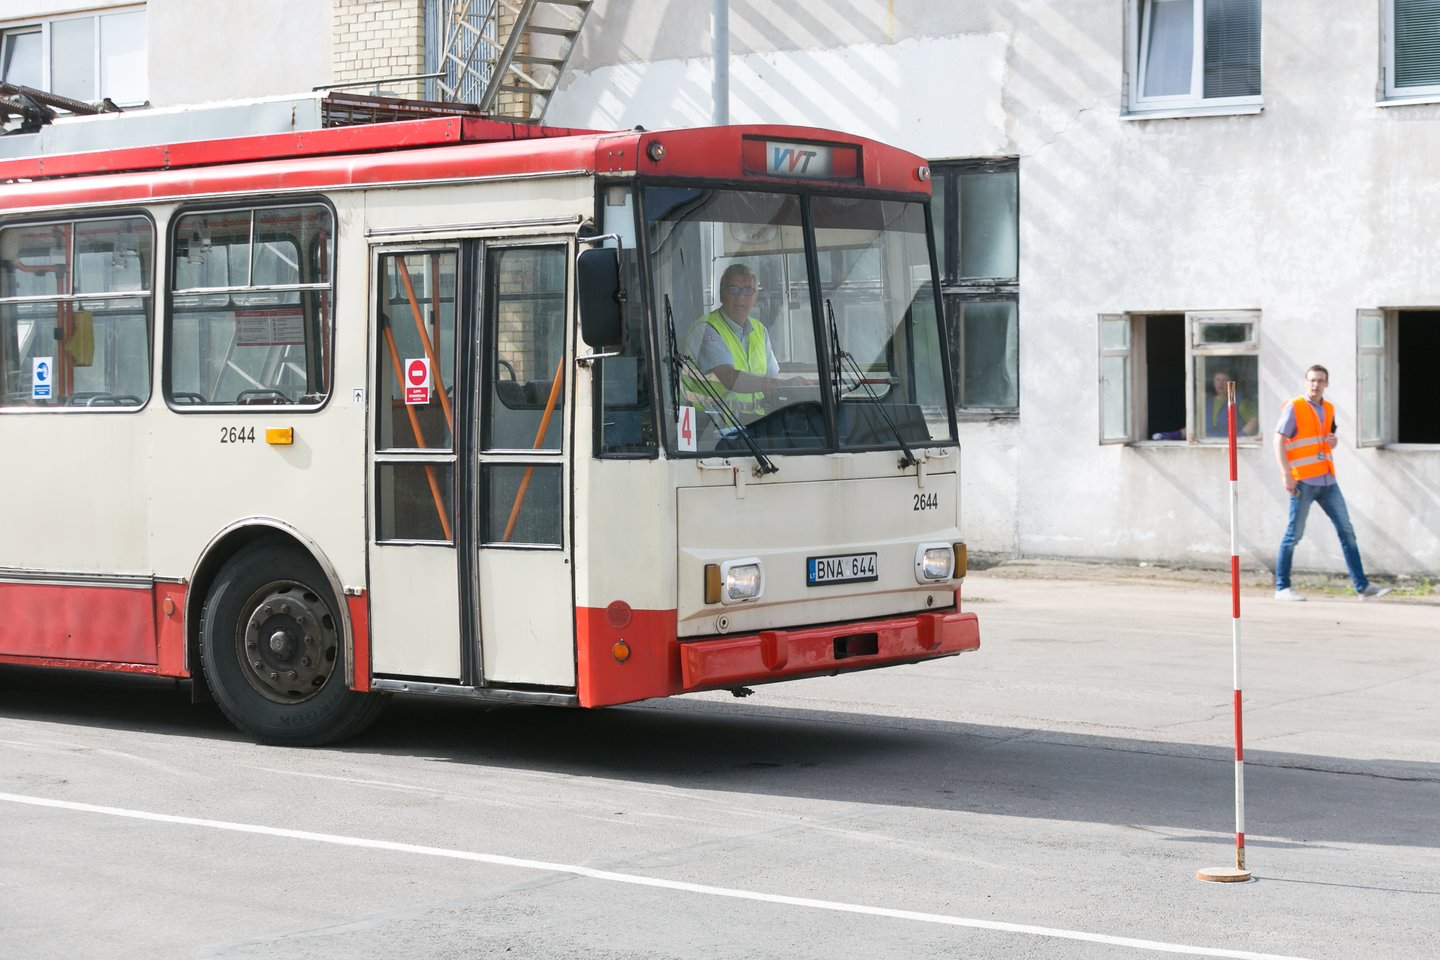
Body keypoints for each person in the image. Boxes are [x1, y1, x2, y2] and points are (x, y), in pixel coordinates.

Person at [1273, 364, 1389, 601]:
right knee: (1294, 535)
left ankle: (1363, 587)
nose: (1315, 384)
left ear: (1326, 384)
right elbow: (1278, 440)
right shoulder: (1294, 406)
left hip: (1327, 480)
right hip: (1303, 481)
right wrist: (1286, 474)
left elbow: (1326, 438)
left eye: (1320, 380)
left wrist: (1332, 442)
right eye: (1312, 380)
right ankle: (1282, 587)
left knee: (1347, 531)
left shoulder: (1329, 408)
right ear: (1305, 382)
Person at [684, 263, 801, 421]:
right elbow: (730, 378)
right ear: (721, 294)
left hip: (756, 423)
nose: (740, 297)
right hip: (712, 426)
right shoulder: (706, 329)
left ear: (755, 298)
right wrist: (784, 385)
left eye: (747, 290)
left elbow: (770, 378)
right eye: (733, 289)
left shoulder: (760, 331)